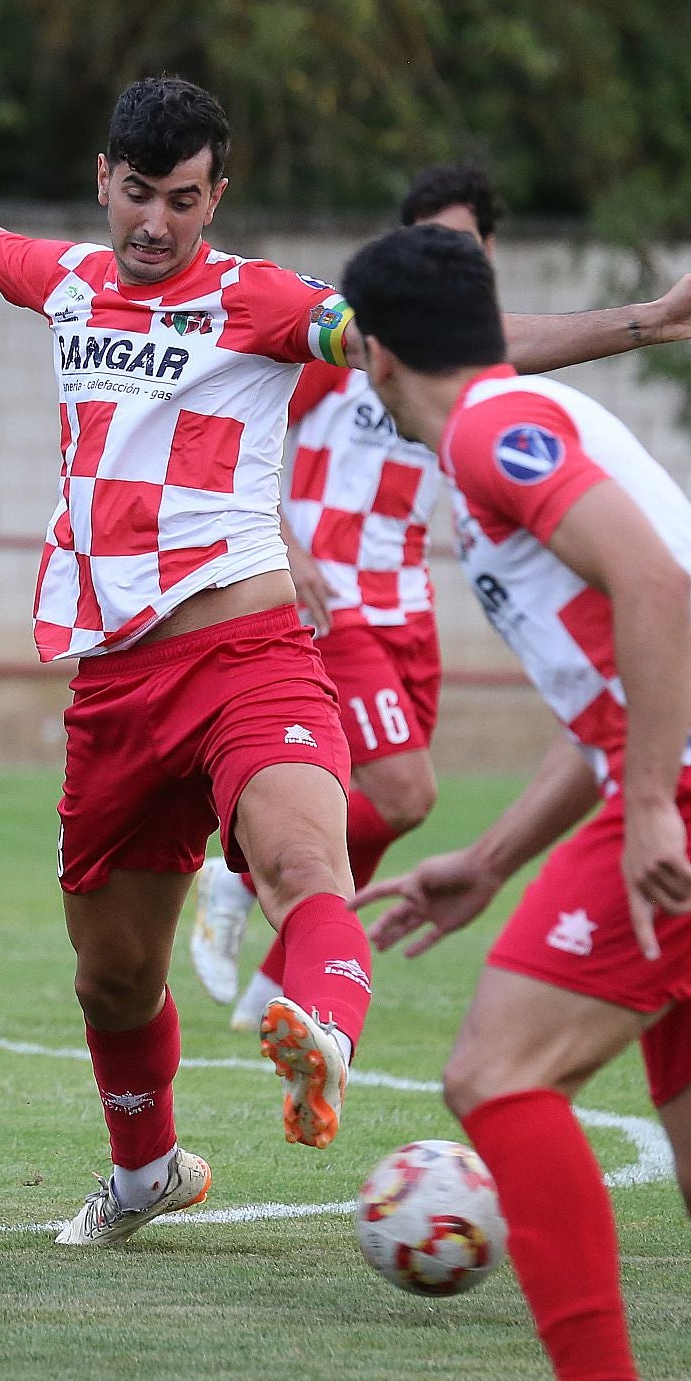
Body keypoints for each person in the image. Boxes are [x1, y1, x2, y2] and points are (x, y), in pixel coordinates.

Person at [0, 32, 691, 1248]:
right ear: (105, 179)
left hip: (248, 655)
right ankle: (147, 1171)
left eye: (182, 199)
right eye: (138, 194)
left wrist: (648, 322)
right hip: (115, 686)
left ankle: (320, 1028)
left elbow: (454, 344)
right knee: (112, 977)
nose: (155, 223)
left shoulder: (265, 301)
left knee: (305, 864)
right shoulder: (67, 280)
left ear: (216, 197)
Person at [342, 223, 691, 1381]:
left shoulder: (492, 432)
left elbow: (656, 587)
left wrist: (652, 808)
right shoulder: (522, 425)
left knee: (495, 1074)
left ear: (375, 356)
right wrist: (489, 861)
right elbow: (615, 694)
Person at [190, 164, 482, 1023]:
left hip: (407, 604)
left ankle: (277, 981)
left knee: (387, 809)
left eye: (465, 242)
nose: (449, 256)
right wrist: (288, 545)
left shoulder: (474, 360)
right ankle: (241, 873)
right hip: (332, 597)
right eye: (433, 240)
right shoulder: (352, 341)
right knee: (405, 791)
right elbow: (245, 437)